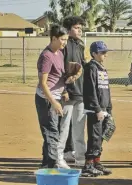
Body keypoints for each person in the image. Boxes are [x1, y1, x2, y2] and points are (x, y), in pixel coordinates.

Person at [35, 25, 69, 168]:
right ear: (53, 38)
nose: (64, 43)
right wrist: (54, 102)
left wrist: (64, 90)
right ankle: (51, 165)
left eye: (66, 39)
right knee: (51, 132)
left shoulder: (59, 53)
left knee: (53, 131)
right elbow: (43, 83)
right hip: (46, 99)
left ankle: (46, 164)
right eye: (62, 39)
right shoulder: (46, 56)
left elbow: (59, 76)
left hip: (56, 97)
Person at [82, 41, 113, 177]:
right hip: (95, 109)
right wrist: (97, 109)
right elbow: (90, 91)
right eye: (102, 52)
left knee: (100, 137)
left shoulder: (101, 68)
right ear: (94, 54)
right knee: (94, 137)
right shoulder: (91, 68)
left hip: (103, 108)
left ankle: (96, 161)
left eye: (106, 52)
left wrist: (109, 109)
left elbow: (106, 90)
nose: (105, 55)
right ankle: (88, 164)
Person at [60, 16, 87, 166]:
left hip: (80, 93)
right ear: (68, 30)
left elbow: (82, 69)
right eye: (77, 28)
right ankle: (59, 157)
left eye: (80, 28)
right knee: (63, 128)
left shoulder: (80, 45)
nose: (80, 30)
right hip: (68, 94)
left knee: (79, 128)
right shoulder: (64, 46)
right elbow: (59, 71)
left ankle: (80, 157)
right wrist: (64, 90)